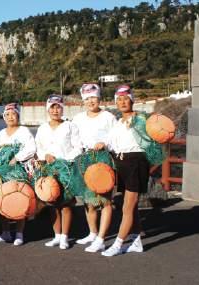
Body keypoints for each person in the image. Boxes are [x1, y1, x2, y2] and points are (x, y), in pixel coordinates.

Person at [102, 85, 155, 257]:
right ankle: (137, 241)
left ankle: (117, 244)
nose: (123, 102)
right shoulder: (118, 122)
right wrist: (101, 145)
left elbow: (154, 140)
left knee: (127, 207)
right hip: (122, 163)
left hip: (136, 162)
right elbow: (110, 143)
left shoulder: (141, 120)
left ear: (132, 100)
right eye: (119, 99)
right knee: (131, 208)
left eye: (126, 99)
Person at [72, 84, 117, 253]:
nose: (90, 101)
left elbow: (115, 137)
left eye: (93, 97)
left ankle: (101, 239)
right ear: (83, 101)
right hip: (84, 160)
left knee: (105, 200)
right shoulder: (77, 119)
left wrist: (105, 143)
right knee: (87, 200)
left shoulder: (108, 117)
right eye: (87, 98)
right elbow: (74, 139)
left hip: (103, 159)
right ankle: (92, 232)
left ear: (99, 98)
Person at [35, 95, 82, 250]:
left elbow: (78, 148)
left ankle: (65, 237)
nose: (55, 110)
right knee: (52, 203)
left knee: (66, 203)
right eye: (52, 107)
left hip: (66, 169)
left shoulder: (70, 126)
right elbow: (39, 148)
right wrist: (44, 156)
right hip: (48, 169)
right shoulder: (42, 128)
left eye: (58, 107)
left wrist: (63, 159)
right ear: (48, 109)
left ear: (62, 108)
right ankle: (56, 236)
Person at [0, 102, 36, 246]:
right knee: (2, 200)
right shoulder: (1, 133)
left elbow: (31, 148)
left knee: (19, 200)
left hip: (18, 171)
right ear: (4, 117)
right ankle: (5, 233)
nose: (10, 117)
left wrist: (17, 158)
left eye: (13, 114)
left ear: (18, 116)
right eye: (7, 115)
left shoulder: (23, 131)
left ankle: (19, 234)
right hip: (2, 171)